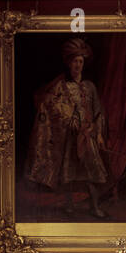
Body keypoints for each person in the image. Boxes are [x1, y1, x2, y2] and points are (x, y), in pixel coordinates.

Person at [26, 38, 110, 217]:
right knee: (68, 174)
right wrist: (67, 121)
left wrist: (98, 133)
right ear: (69, 63)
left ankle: (94, 207)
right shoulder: (61, 87)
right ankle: (69, 206)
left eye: (80, 61)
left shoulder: (90, 87)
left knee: (93, 173)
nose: (78, 65)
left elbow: (98, 112)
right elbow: (51, 108)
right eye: (75, 61)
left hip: (88, 136)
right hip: (69, 137)